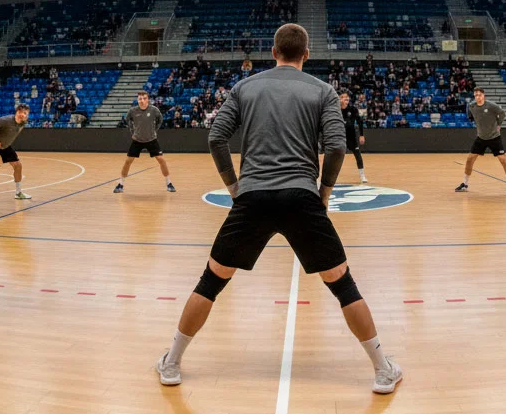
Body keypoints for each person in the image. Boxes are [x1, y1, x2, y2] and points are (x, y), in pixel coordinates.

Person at [155, 24, 402, 394]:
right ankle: (383, 370)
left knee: (211, 280)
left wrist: (234, 187)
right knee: (343, 284)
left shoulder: (244, 87)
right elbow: (336, 148)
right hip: (302, 197)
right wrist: (324, 193)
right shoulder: (324, 91)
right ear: (306, 54)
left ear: (273, 52)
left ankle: (171, 363)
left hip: (252, 197)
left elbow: (216, 137)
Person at [456, 88, 506, 195]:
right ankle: (465, 184)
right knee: (470, 159)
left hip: (494, 137)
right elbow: (471, 115)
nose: (477, 97)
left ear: (483, 95)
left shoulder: (491, 106)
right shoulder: (472, 106)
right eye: (475, 95)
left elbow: (502, 113)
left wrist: (498, 124)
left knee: (503, 160)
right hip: (481, 138)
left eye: (479, 95)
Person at [115, 91, 174, 193]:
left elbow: (160, 119)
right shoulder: (133, 111)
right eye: (140, 99)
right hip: (137, 140)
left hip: (151, 139)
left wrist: (154, 130)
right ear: (137, 100)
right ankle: (120, 184)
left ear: (148, 100)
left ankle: (169, 183)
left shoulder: (154, 110)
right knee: (128, 161)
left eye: (144, 98)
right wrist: (132, 131)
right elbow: (127, 119)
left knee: (161, 159)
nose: (142, 101)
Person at [340, 90, 368, 184]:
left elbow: (360, 122)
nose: (346, 99)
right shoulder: (335, 109)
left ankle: (362, 175)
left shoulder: (353, 109)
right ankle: (331, 176)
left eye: (347, 98)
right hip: (340, 137)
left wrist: (361, 135)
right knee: (336, 157)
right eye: (344, 97)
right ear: (339, 99)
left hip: (351, 136)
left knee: (358, 155)